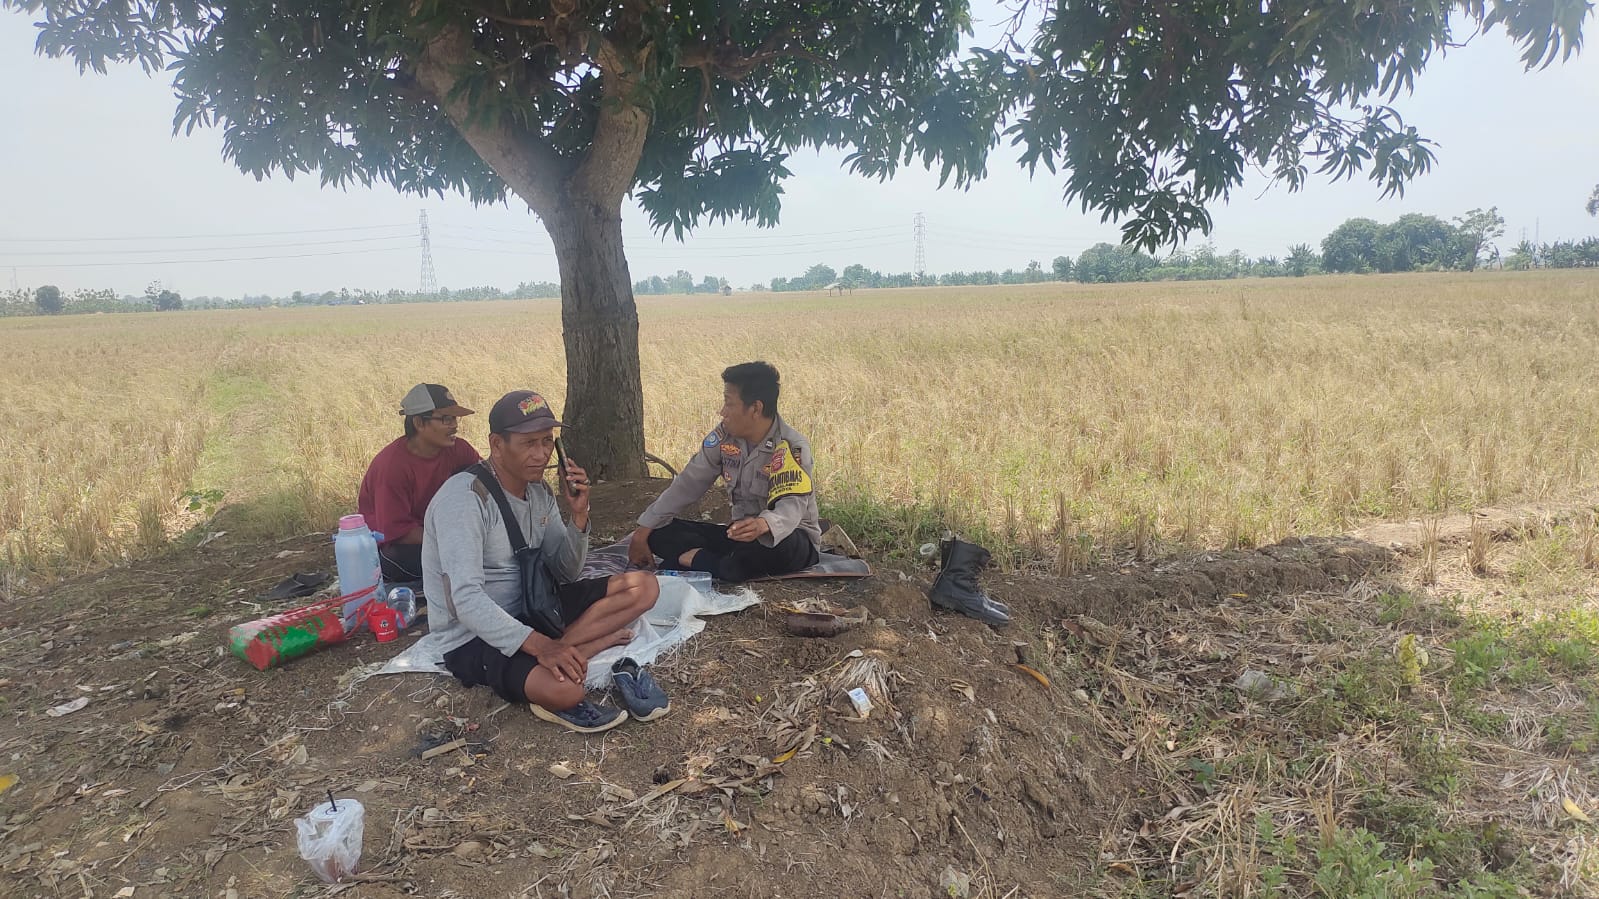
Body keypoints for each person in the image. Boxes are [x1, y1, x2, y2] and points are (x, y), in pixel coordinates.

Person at [423, 389, 659, 733]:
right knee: (567, 691)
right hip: (475, 634)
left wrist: (579, 516)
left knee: (643, 586)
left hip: (535, 608)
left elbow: (566, 571)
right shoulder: (464, 499)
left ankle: (566, 648)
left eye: (548, 441)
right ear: (497, 444)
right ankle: (582, 646)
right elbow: (465, 600)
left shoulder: (538, 491)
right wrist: (540, 646)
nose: (541, 454)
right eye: (529, 443)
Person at [629, 361, 821, 582]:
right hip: (739, 536)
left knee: (775, 550)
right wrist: (643, 530)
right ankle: (719, 563)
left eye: (729, 403)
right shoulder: (724, 437)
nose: (722, 412)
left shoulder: (790, 447)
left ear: (755, 408)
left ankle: (704, 562)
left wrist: (763, 524)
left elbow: (792, 506)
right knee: (659, 533)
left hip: (786, 537)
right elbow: (688, 483)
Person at [357, 383, 481, 584]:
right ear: (419, 423)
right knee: (449, 562)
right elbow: (398, 532)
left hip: (437, 531)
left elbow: (488, 480)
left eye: (455, 418)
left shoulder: (458, 449)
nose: (455, 426)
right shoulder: (392, 467)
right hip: (395, 546)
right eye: (446, 419)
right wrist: (452, 540)